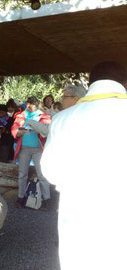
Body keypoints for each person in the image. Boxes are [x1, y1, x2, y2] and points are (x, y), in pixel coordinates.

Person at [41, 61, 127, 270]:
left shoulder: (62, 118)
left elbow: (50, 170)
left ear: (90, 84)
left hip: (78, 210)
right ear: (124, 83)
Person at [11, 96, 51, 209]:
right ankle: (21, 196)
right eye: (28, 103)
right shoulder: (21, 115)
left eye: (32, 104)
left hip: (38, 149)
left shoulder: (43, 115)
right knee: (22, 174)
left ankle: (47, 198)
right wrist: (17, 132)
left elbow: (47, 130)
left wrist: (36, 126)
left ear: (37, 105)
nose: (29, 106)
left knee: (42, 174)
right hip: (24, 148)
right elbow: (14, 128)